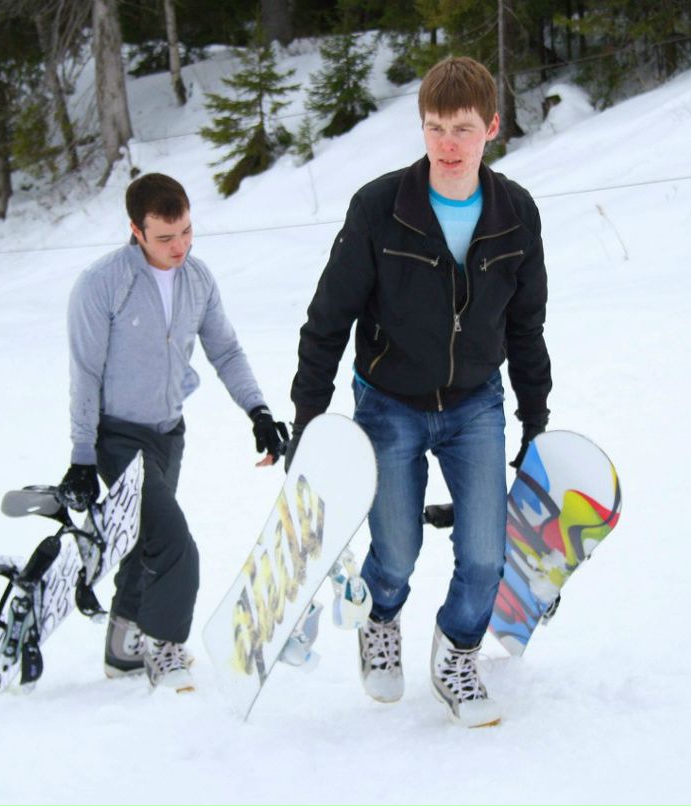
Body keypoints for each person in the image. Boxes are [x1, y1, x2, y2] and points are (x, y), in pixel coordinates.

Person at [288, 57, 552, 727]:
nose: (448, 146)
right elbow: (327, 320)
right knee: (397, 551)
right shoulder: (380, 209)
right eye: (435, 128)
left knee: (487, 554)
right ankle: (381, 614)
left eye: (463, 129)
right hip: (390, 403)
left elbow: (526, 325)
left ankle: (457, 650)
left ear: (491, 127)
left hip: (475, 404)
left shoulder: (516, 214)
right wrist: (310, 419)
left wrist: (536, 415)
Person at [58, 173, 289, 694]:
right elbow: (84, 374)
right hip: (117, 439)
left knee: (145, 545)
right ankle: (164, 646)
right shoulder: (101, 285)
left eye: (186, 231)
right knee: (175, 546)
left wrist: (258, 411)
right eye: (165, 237)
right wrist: (82, 456)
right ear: (136, 232)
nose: (179, 246)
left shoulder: (198, 280)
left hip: (169, 434)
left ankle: (122, 648)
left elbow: (225, 350)